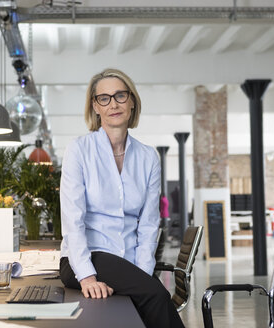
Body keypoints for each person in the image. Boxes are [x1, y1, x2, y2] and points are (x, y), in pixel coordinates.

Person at [59, 68, 184, 328]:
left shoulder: (148, 157)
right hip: (87, 258)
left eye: (120, 96)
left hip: (127, 267)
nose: (113, 104)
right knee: (158, 296)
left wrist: (143, 275)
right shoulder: (79, 150)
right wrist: (87, 277)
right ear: (95, 106)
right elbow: (73, 219)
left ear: (132, 101)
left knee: (145, 302)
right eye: (104, 98)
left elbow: (149, 224)